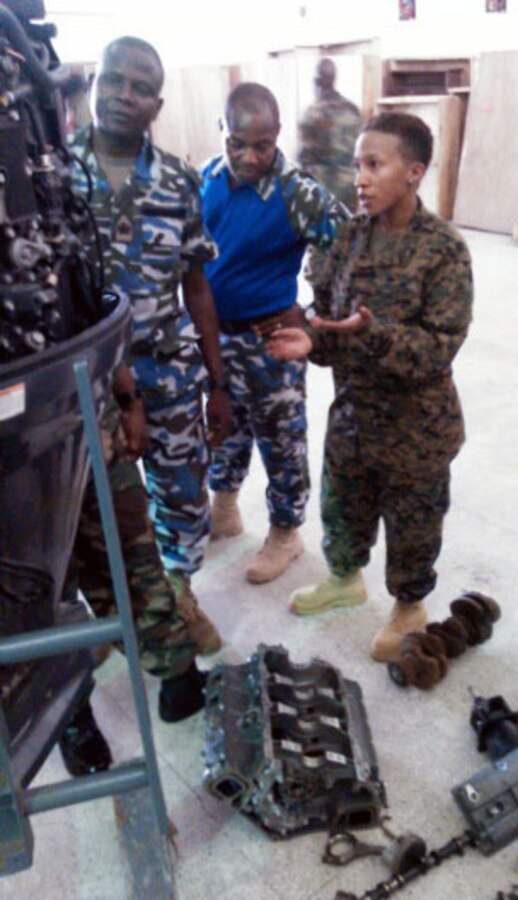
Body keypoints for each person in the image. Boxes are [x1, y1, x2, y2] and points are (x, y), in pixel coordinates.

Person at [264, 112, 473, 662]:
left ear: (414, 172)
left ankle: (408, 606)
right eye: (358, 164)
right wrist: (313, 341)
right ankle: (344, 579)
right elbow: (331, 325)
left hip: (417, 427)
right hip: (354, 417)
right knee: (343, 509)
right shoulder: (350, 238)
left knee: (413, 525)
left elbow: (439, 347)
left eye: (375, 165)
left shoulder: (444, 249)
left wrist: (374, 334)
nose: (360, 177)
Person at [70, 36, 230, 655]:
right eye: (113, 81)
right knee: (92, 507)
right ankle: (109, 611)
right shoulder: (53, 178)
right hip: (88, 384)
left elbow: (198, 284)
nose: (122, 96)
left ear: (155, 104)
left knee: (184, 495)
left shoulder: (178, 181)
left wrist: (218, 383)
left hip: (168, 373)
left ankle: (178, 595)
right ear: (93, 83)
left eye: (139, 88)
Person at [200, 82, 349, 583]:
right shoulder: (206, 180)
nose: (249, 155)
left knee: (280, 438)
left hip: (271, 343)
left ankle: (286, 533)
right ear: (222, 129)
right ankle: (224, 506)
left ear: (278, 136)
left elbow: (350, 249)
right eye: (237, 142)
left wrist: (309, 313)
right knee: (225, 429)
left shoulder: (296, 191)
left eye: (261, 145)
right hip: (214, 336)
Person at [58, 363, 208, 777]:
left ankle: (179, 676)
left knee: (132, 557)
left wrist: (129, 402)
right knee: (40, 599)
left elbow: (97, 315)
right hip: (13, 462)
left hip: (91, 424)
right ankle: (70, 716)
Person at [298, 57, 363, 211]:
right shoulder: (353, 110)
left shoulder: (312, 114)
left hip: (323, 191)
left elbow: (304, 160)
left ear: (316, 81)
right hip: (350, 187)